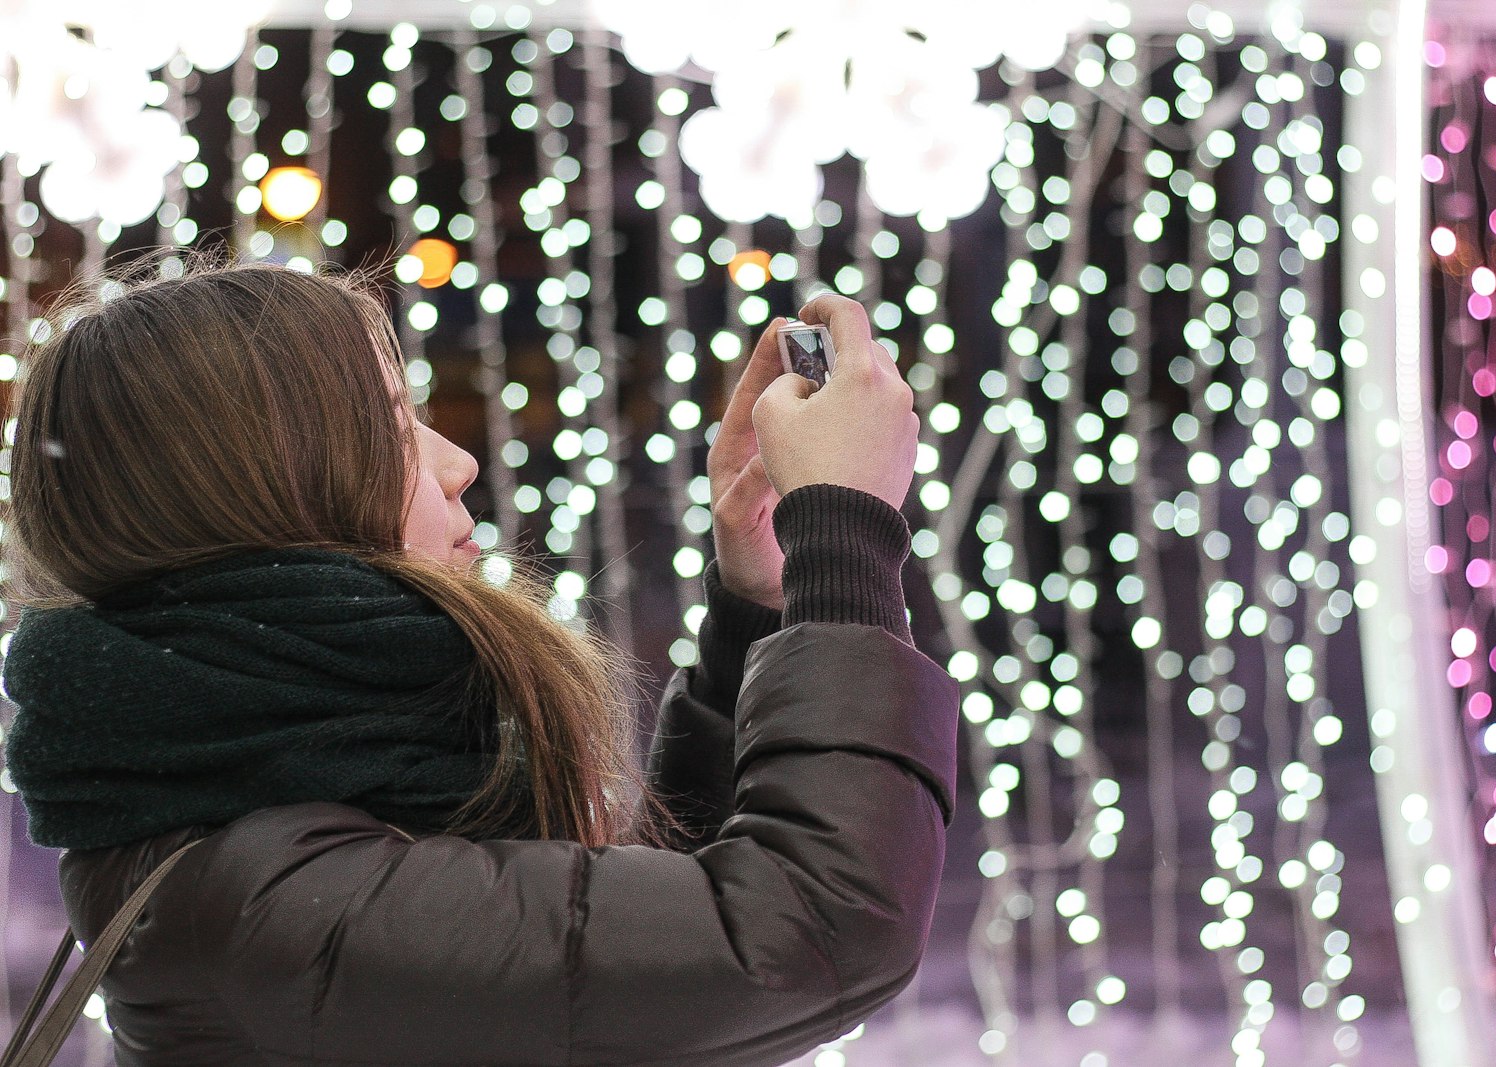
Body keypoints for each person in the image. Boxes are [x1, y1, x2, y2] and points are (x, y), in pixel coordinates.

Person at [0, 262, 958, 1065]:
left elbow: (611, 961)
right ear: (276, 490)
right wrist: (844, 526)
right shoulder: (267, 900)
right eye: (388, 423)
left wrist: (764, 596)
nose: (455, 460)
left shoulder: (276, 791)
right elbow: (805, 932)